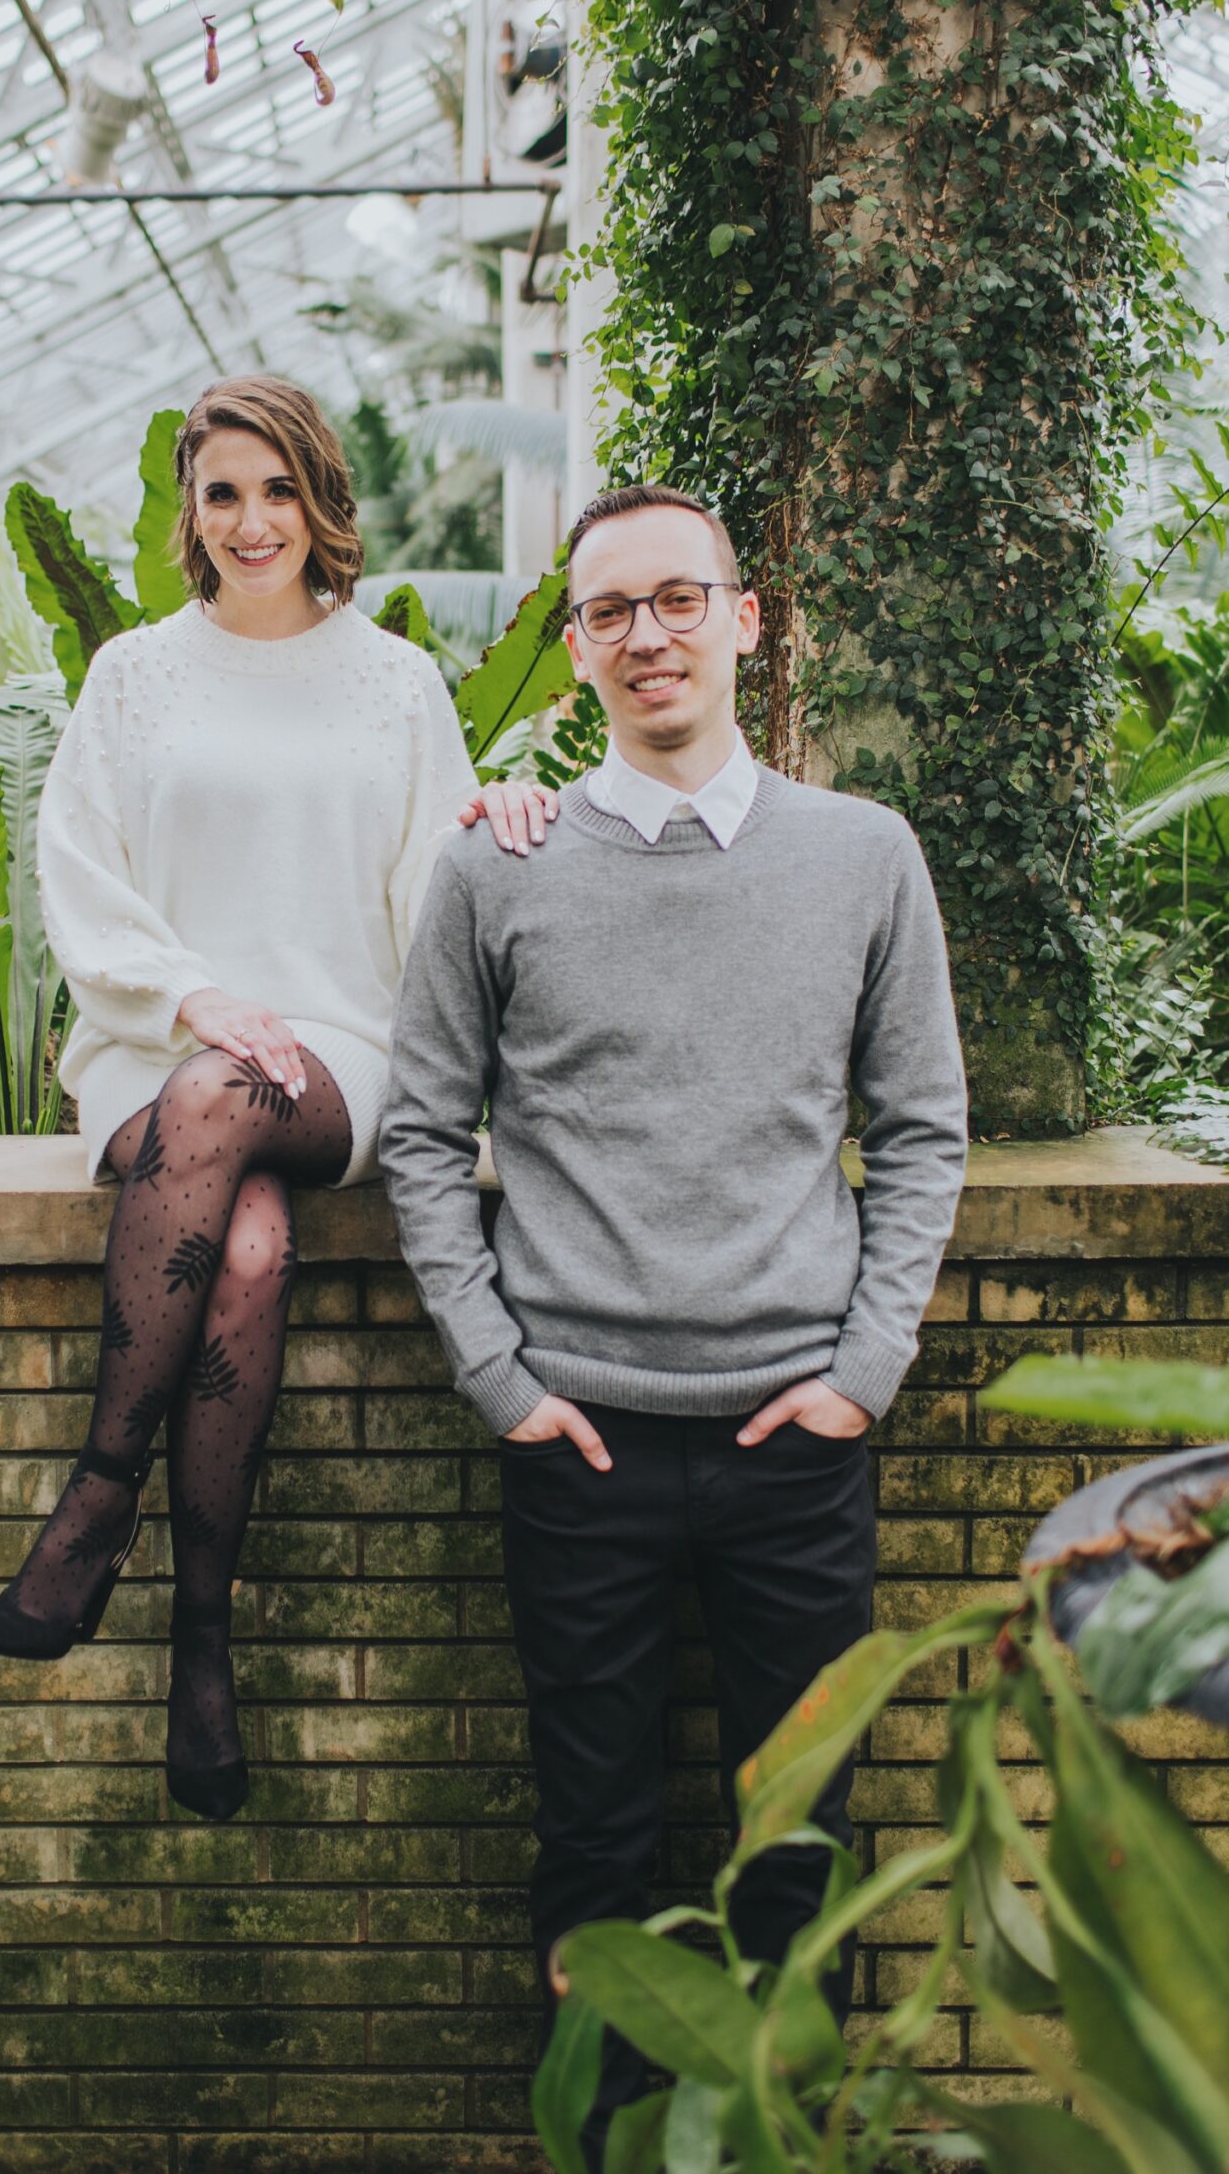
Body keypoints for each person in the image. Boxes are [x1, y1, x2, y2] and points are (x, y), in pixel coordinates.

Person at [379, 481, 967, 2160]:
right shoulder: (497, 870)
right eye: (609, 611)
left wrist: (864, 1375)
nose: (646, 635)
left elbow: (923, 1128)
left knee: (797, 1858)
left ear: (743, 619)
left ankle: (786, 2145)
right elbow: (423, 1137)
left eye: (677, 600)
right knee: (593, 1857)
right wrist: (498, 1382)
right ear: (574, 649)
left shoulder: (863, 857)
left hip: (799, 1441)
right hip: (580, 1441)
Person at [0, 374, 553, 1823]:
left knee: (232, 1098)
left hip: (341, 1045)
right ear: (192, 510)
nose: (250, 522)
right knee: (243, 1249)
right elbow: (80, 877)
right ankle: (201, 1647)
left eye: (277, 489)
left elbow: (434, 891)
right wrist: (190, 997)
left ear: (321, 503)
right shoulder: (136, 676)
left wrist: (510, 829)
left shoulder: (395, 683)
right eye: (222, 492)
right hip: (151, 1041)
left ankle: (100, 1496)